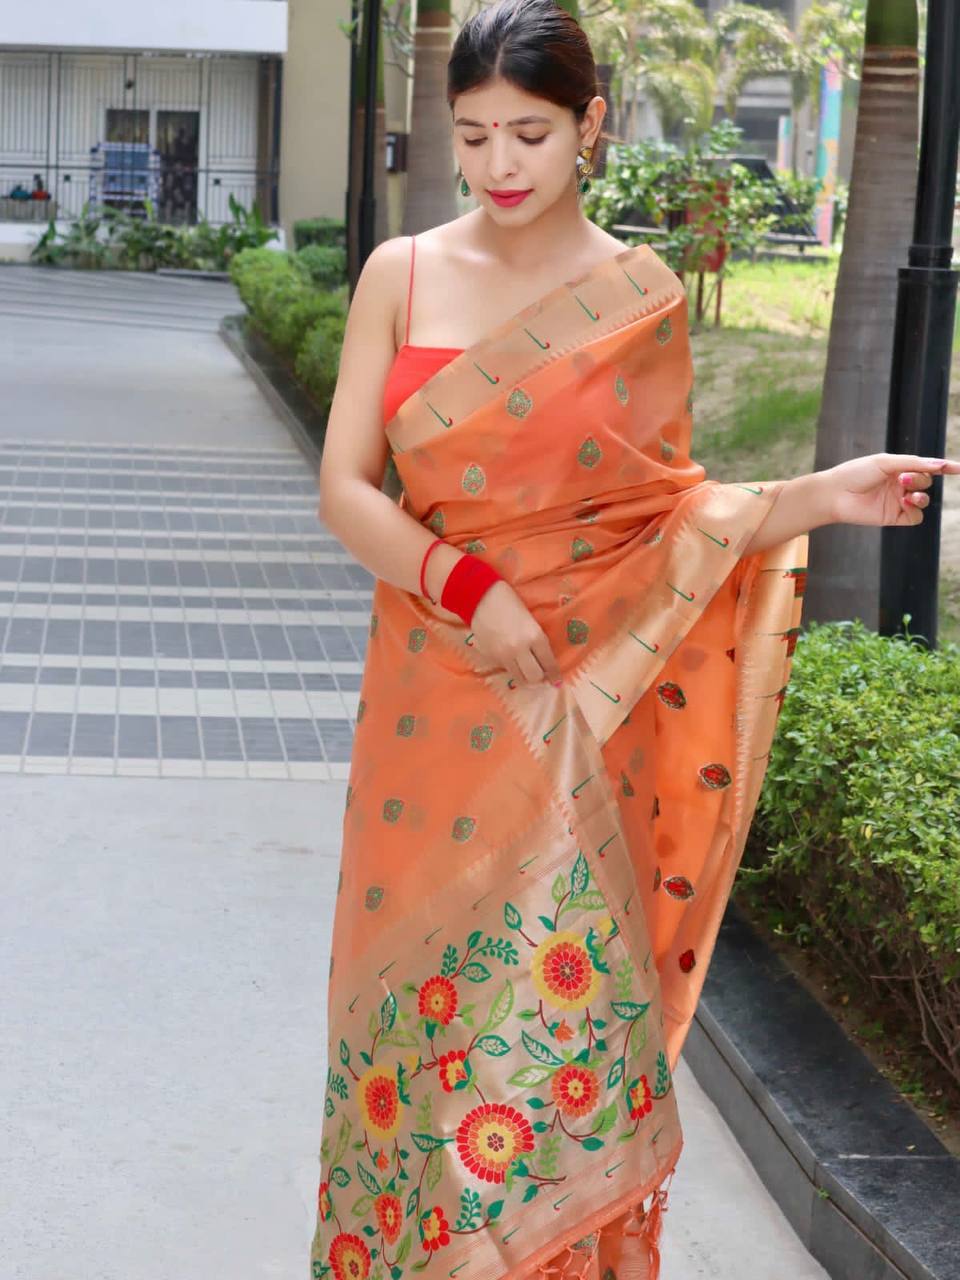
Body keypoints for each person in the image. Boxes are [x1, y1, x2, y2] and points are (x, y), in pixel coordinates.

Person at [308, 2, 958, 1277]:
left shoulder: (637, 296)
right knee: (424, 1040)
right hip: (436, 705)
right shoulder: (405, 272)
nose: (501, 166)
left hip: (585, 714)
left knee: (547, 1049)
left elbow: (670, 523)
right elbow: (346, 487)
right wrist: (465, 581)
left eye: (531, 135)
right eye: (477, 135)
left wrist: (826, 494)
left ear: (590, 126)